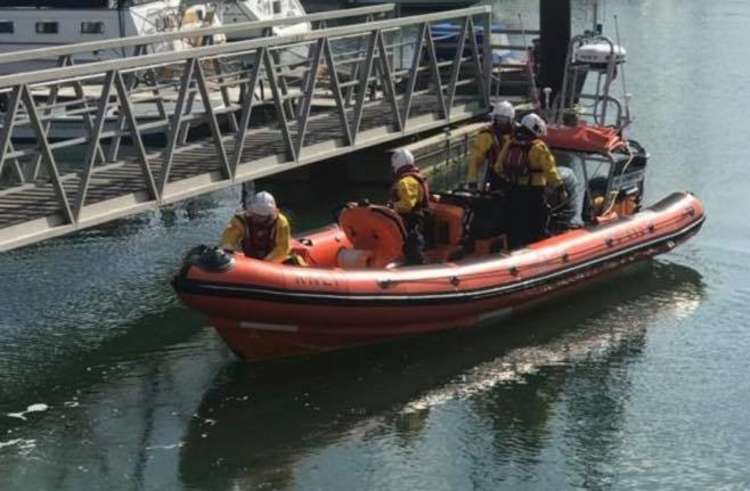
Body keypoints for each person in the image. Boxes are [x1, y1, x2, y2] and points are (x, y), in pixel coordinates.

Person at [494, 113, 563, 248]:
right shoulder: (539, 147)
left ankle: (512, 248)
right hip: (534, 192)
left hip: (513, 190)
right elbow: (551, 171)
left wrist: (510, 177)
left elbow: (498, 167)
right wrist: (560, 187)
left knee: (514, 222)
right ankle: (536, 248)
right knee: (538, 222)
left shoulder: (510, 142)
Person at [220, 191, 297, 264]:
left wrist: (264, 263)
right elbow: (229, 239)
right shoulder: (240, 221)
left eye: (263, 217)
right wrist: (227, 250)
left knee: (295, 261)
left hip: (273, 261)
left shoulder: (280, 223)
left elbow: (282, 248)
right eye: (257, 216)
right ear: (252, 212)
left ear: (270, 215)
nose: (259, 220)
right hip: (250, 259)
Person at [390, 148, 430, 265]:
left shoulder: (406, 182)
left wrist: (393, 206)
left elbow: (407, 204)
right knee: (412, 242)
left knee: (413, 244)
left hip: (412, 218)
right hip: (416, 216)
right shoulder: (414, 177)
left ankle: (419, 264)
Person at [466, 100, 516, 190]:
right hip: (496, 176)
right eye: (499, 119)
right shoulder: (487, 135)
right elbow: (475, 158)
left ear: (510, 119)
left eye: (504, 119)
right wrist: (472, 179)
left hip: (518, 175)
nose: (501, 122)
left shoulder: (518, 134)